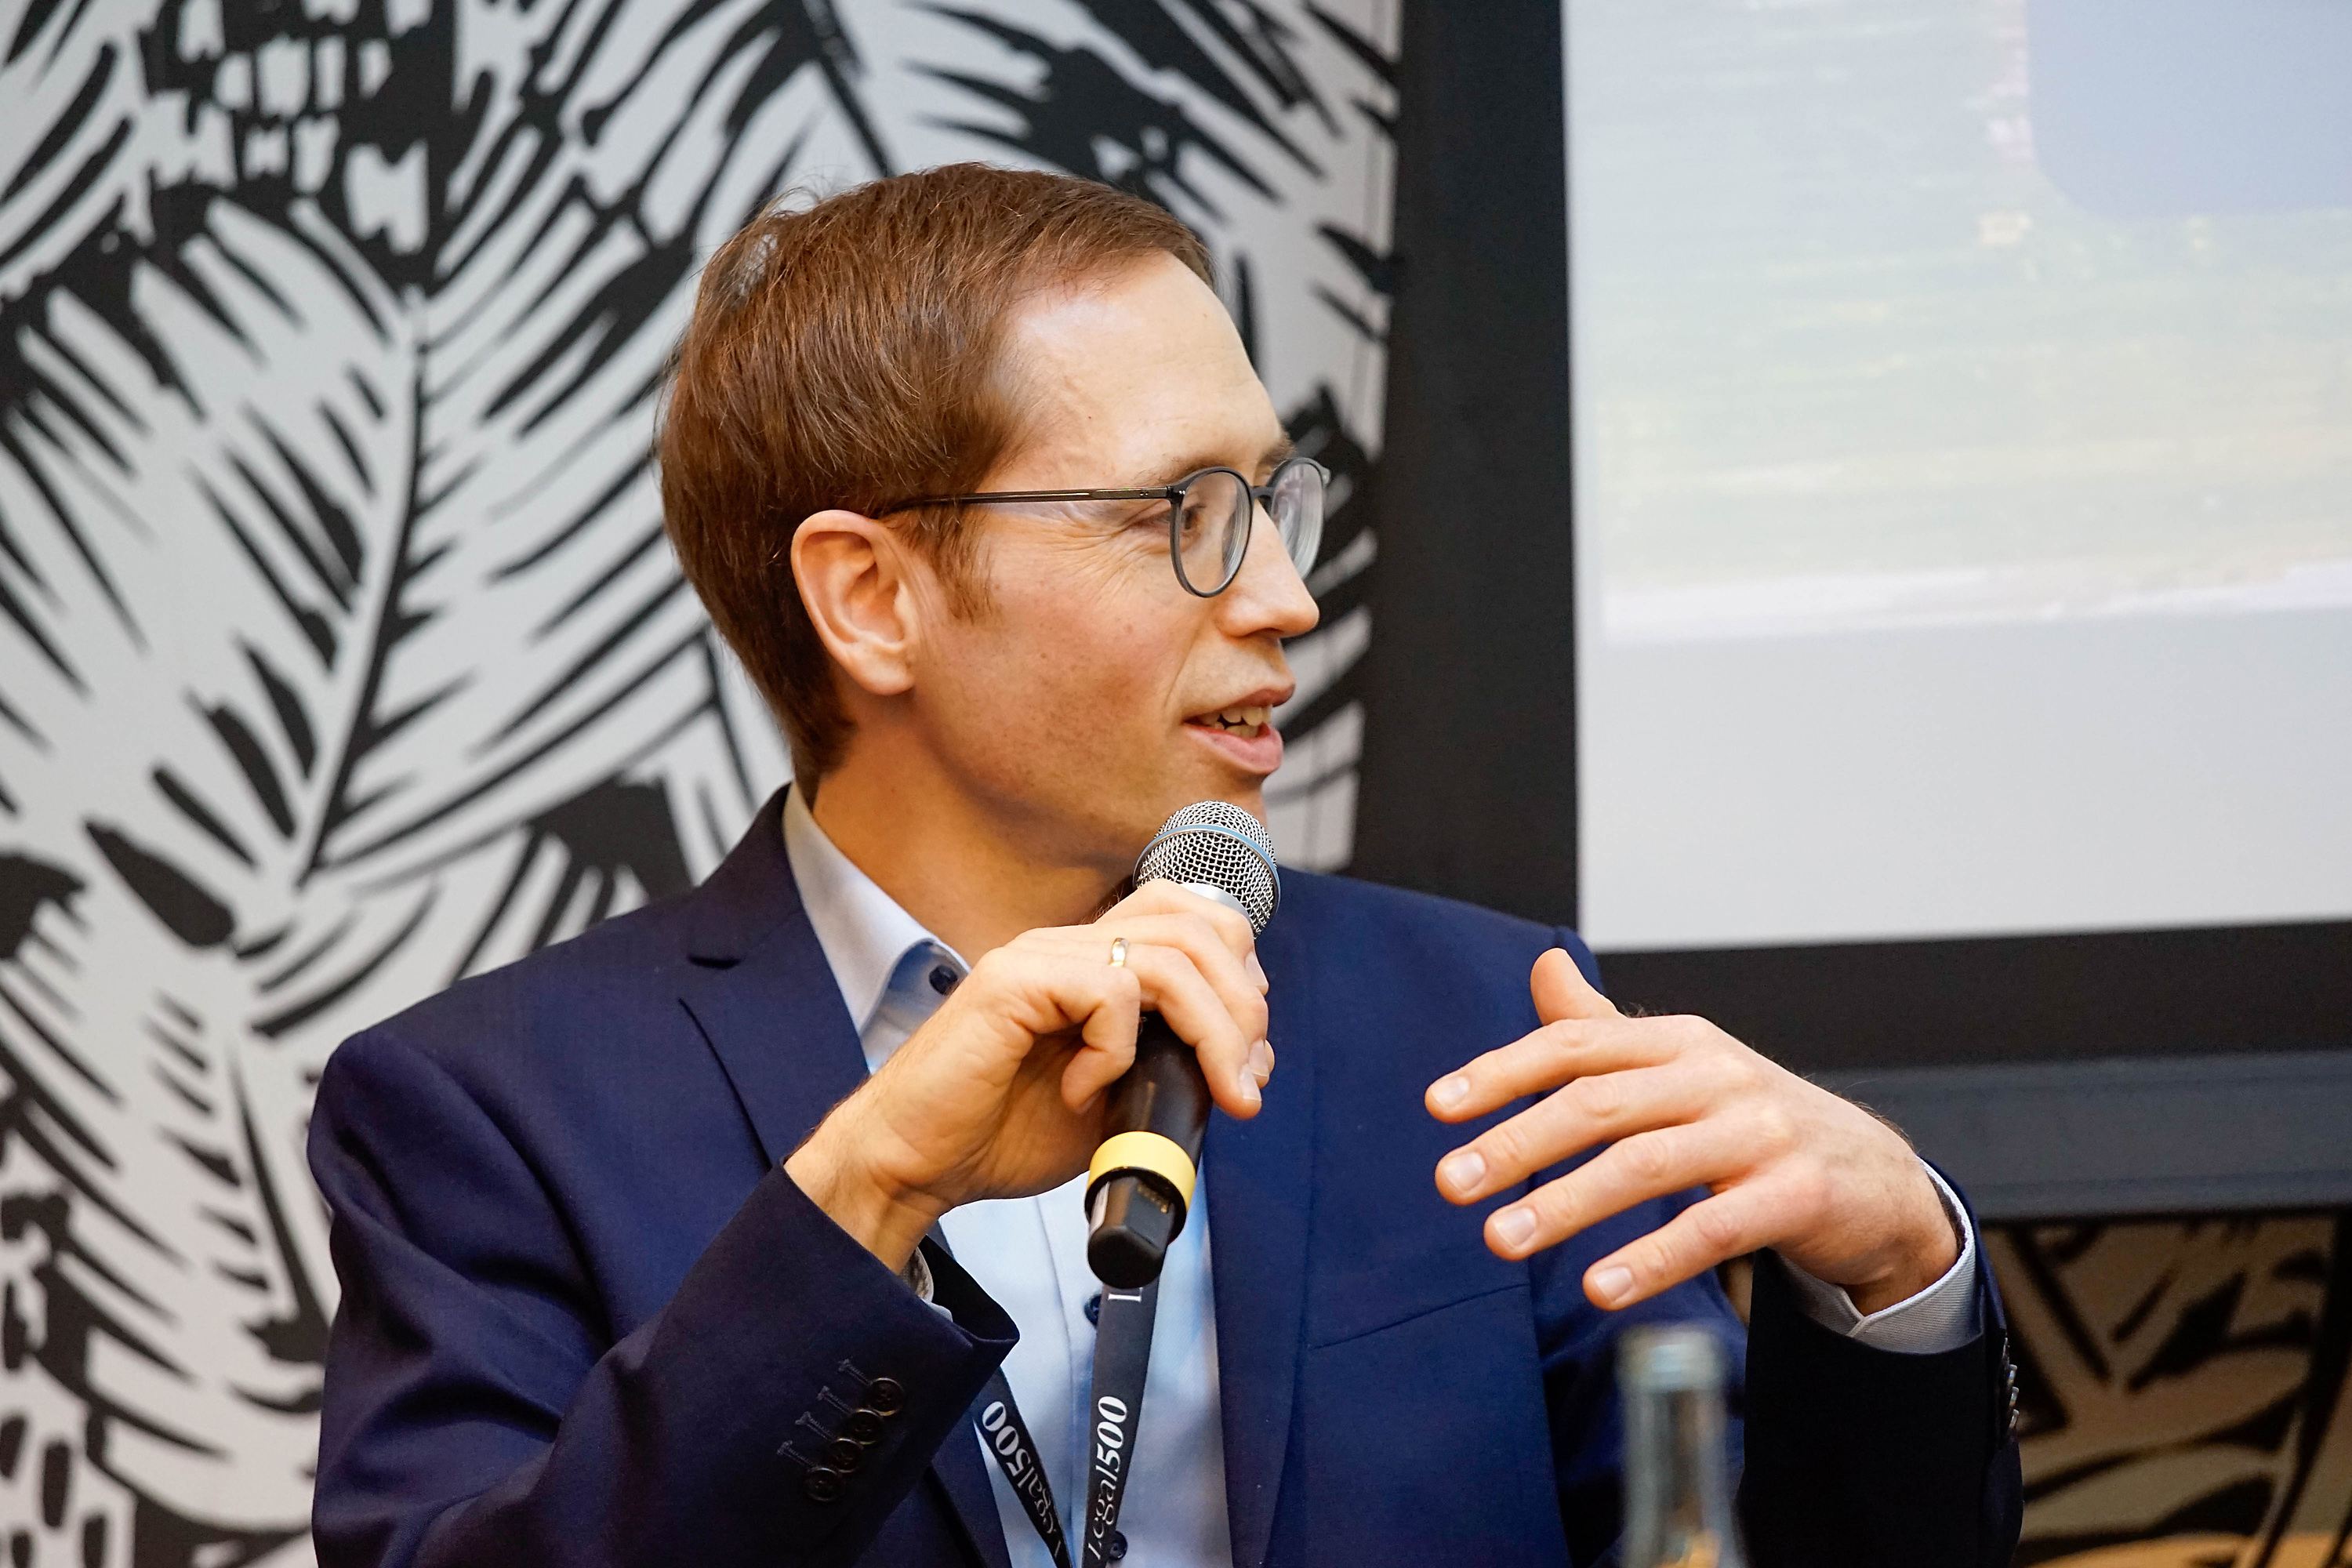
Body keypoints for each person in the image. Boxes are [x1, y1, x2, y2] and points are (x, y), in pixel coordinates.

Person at [308, 165, 2024, 1568]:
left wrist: (1893, 1276)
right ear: (872, 597)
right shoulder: (491, 1112)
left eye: (1274, 499)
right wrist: (870, 1197)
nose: (1285, 595)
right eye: (1183, 513)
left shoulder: (1477, 1018)